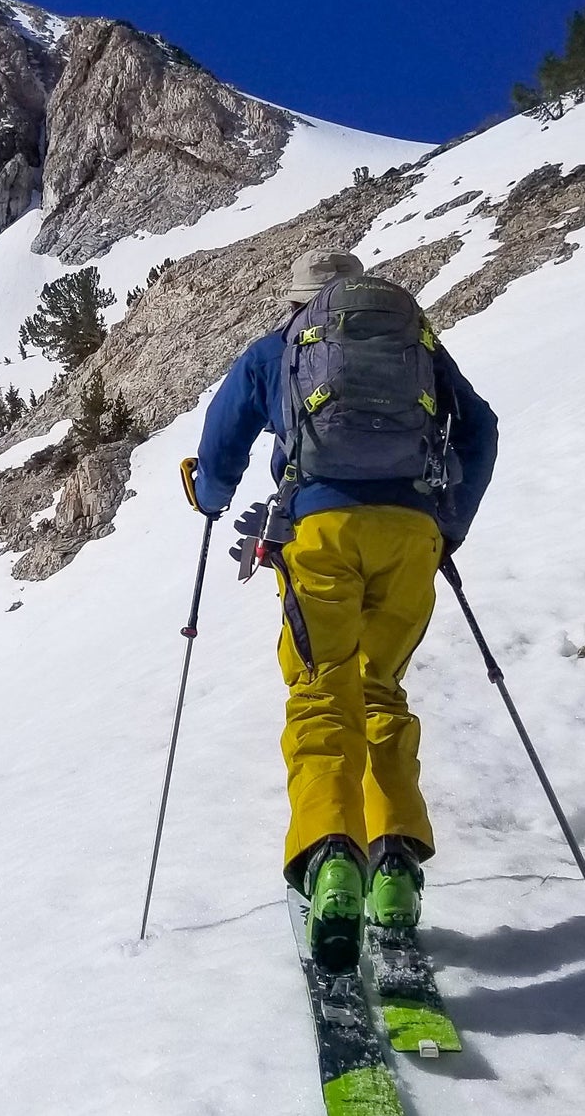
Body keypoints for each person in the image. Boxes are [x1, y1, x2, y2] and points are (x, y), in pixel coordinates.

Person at [186, 249, 496, 970]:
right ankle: (394, 872)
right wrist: (448, 524)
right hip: (411, 533)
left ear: (301, 304)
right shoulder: (418, 347)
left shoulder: (280, 351)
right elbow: (479, 429)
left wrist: (209, 497)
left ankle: (332, 861)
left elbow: (223, 433)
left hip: (319, 531)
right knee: (381, 690)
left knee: (324, 695)